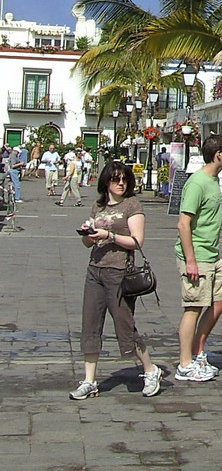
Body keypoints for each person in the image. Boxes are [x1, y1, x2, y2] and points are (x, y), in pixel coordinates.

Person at [69, 161, 162, 399]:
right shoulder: (98, 206)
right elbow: (87, 243)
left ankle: (150, 370)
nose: (121, 183)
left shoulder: (132, 205)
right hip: (95, 269)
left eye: (124, 179)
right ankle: (89, 380)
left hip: (119, 272)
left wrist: (110, 235)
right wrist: (88, 234)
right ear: (106, 182)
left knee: (124, 325)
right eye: (115, 179)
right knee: (90, 324)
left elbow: (136, 241)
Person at [174, 135, 222, 383]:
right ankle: (185, 364)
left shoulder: (213, 180)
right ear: (218, 154)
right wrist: (191, 261)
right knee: (194, 307)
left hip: (212, 254)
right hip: (197, 255)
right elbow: (183, 223)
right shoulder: (197, 183)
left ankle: (197, 351)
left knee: (221, 300)